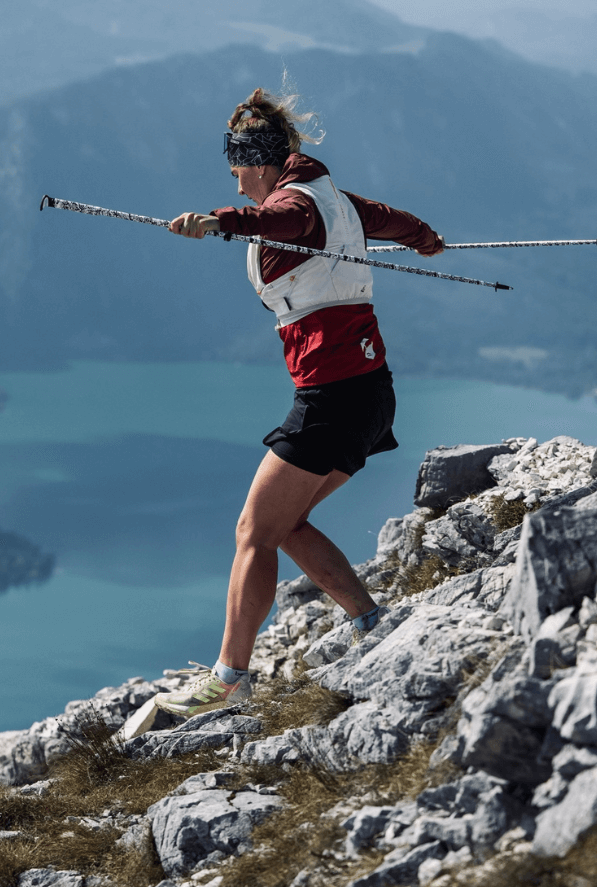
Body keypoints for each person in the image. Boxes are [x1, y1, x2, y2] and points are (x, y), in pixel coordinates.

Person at [153, 87, 444, 719]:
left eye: (236, 169)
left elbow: (280, 221)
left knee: (254, 530)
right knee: (283, 525)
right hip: (370, 395)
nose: (234, 182)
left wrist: (223, 222)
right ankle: (370, 624)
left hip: (333, 397)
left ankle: (229, 679)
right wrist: (425, 238)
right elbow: (393, 218)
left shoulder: (291, 204)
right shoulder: (338, 201)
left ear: (257, 159)